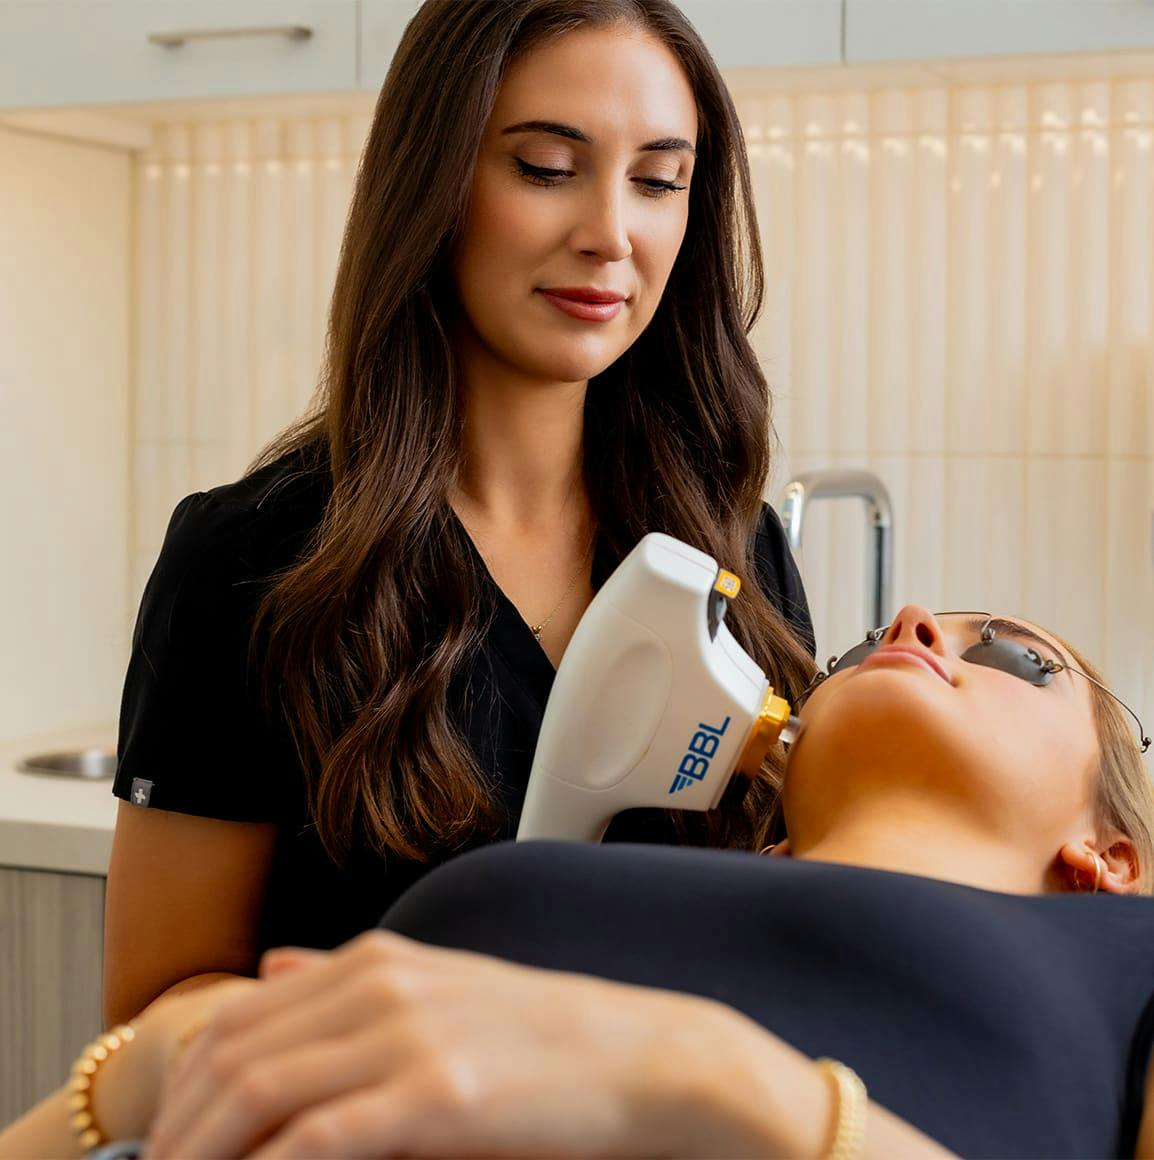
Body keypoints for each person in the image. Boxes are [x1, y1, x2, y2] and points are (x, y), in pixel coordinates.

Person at [102, 0, 817, 1031]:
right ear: (434, 182)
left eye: (658, 180)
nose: (610, 234)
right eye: (544, 166)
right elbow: (152, 1010)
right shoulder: (254, 558)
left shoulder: (729, 545)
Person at [4, 606, 1151, 1158]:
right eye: (859, 644)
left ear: (1111, 857)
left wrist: (730, 1090)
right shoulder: (592, 879)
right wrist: (147, 1068)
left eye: (1002, 650)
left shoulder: (1132, 956)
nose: (908, 625)